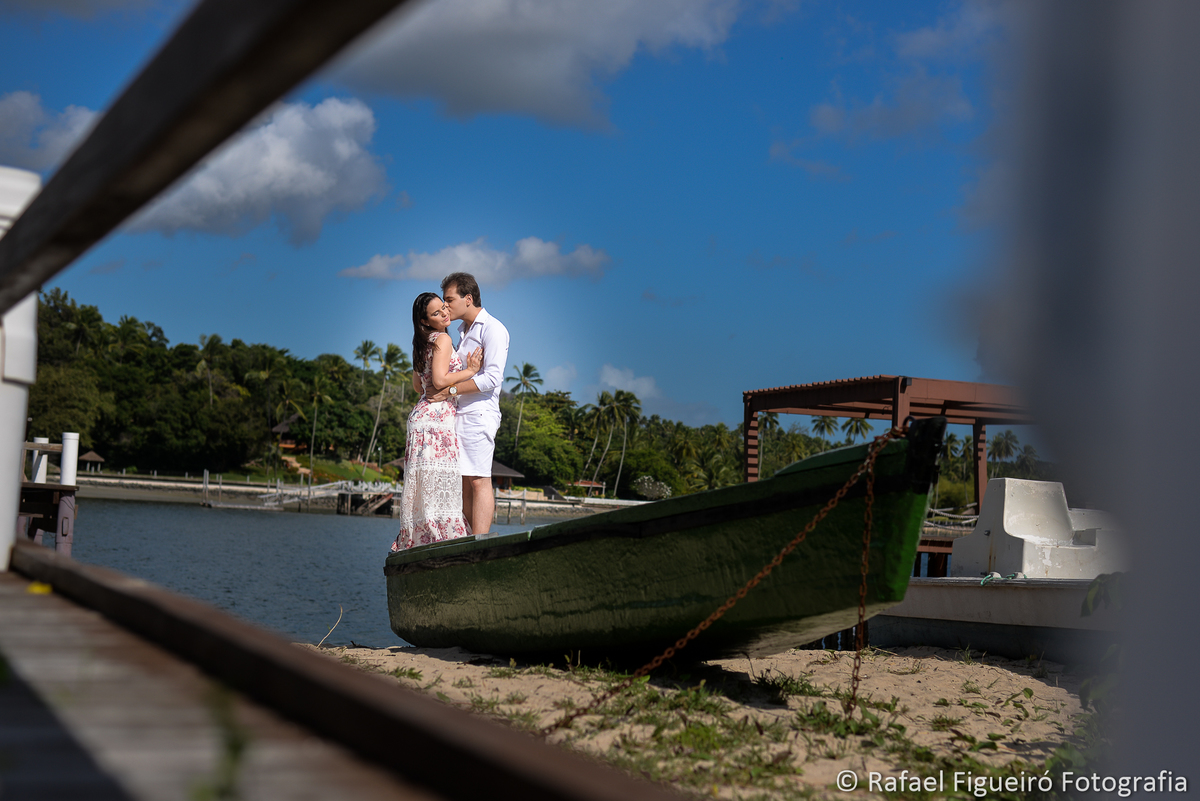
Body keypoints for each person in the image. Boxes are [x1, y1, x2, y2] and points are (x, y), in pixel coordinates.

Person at [390, 292, 482, 552]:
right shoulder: (441, 338)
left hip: (421, 417)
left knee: (425, 486)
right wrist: (470, 371)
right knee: (439, 485)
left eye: (444, 308)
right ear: (425, 320)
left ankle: (420, 541)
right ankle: (442, 541)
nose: (444, 314)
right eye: (436, 313)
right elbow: (440, 382)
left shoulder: (421, 343)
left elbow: (418, 384)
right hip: (436, 419)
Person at [439, 272, 510, 538]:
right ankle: (465, 539)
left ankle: (479, 542)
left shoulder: (493, 329)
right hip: (460, 412)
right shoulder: (461, 331)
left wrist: (450, 389)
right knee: (464, 482)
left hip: (479, 413)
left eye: (449, 300)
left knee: (479, 479)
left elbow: (492, 377)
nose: (445, 306)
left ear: (468, 299)